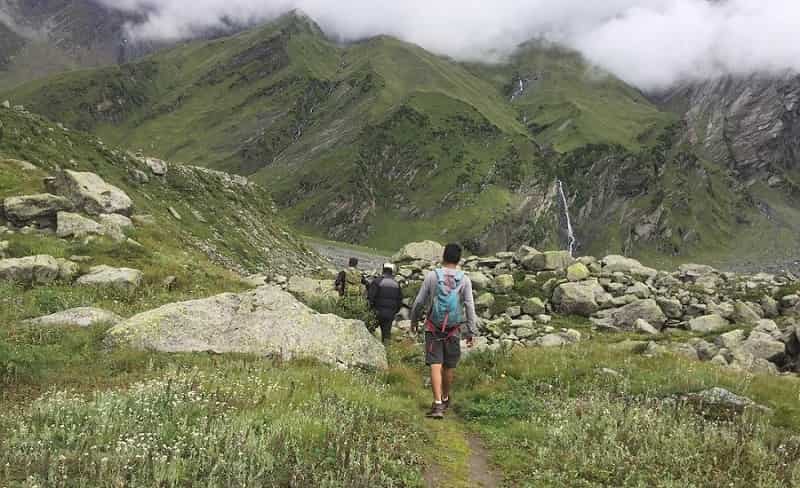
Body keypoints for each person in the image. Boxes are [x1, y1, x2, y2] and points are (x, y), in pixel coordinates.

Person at [411, 243, 478, 420]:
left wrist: (414, 320)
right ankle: (445, 398)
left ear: (443, 256)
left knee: (435, 364)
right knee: (449, 366)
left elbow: (419, 301)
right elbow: (470, 306)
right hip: (453, 329)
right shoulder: (465, 279)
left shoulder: (432, 276)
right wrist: (471, 331)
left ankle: (437, 404)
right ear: (458, 259)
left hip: (433, 327)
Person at [368, 263, 404, 344]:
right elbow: (400, 301)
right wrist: (394, 311)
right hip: (390, 314)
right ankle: (386, 351)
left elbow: (370, 297)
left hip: (377, 312)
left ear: (383, 271)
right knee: (386, 335)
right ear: (391, 273)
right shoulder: (396, 284)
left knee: (369, 330)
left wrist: (370, 309)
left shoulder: (377, 281)